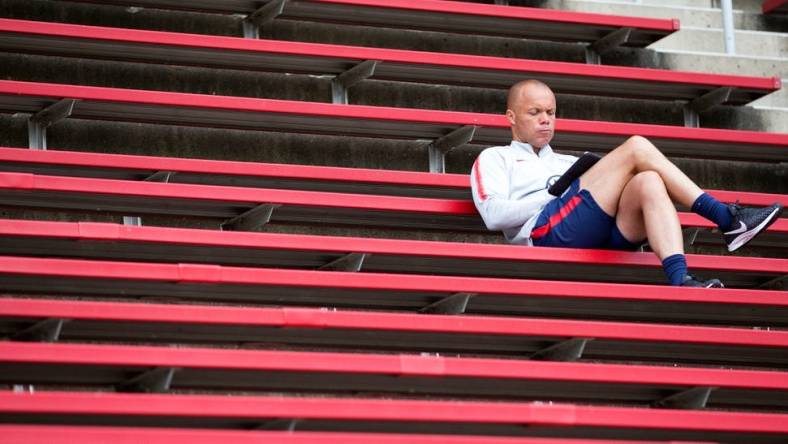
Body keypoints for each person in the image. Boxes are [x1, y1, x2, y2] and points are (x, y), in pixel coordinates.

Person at [470, 79, 783, 287]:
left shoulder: (568, 162)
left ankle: (681, 280)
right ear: (510, 117)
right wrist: (554, 196)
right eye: (534, 112)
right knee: (636, 146)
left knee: (648, 180)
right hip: (546, 236)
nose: (545, 119)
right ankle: (726, 218)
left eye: (551, 112)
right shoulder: (495, 157)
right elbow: (494, 215)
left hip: (597, 233)